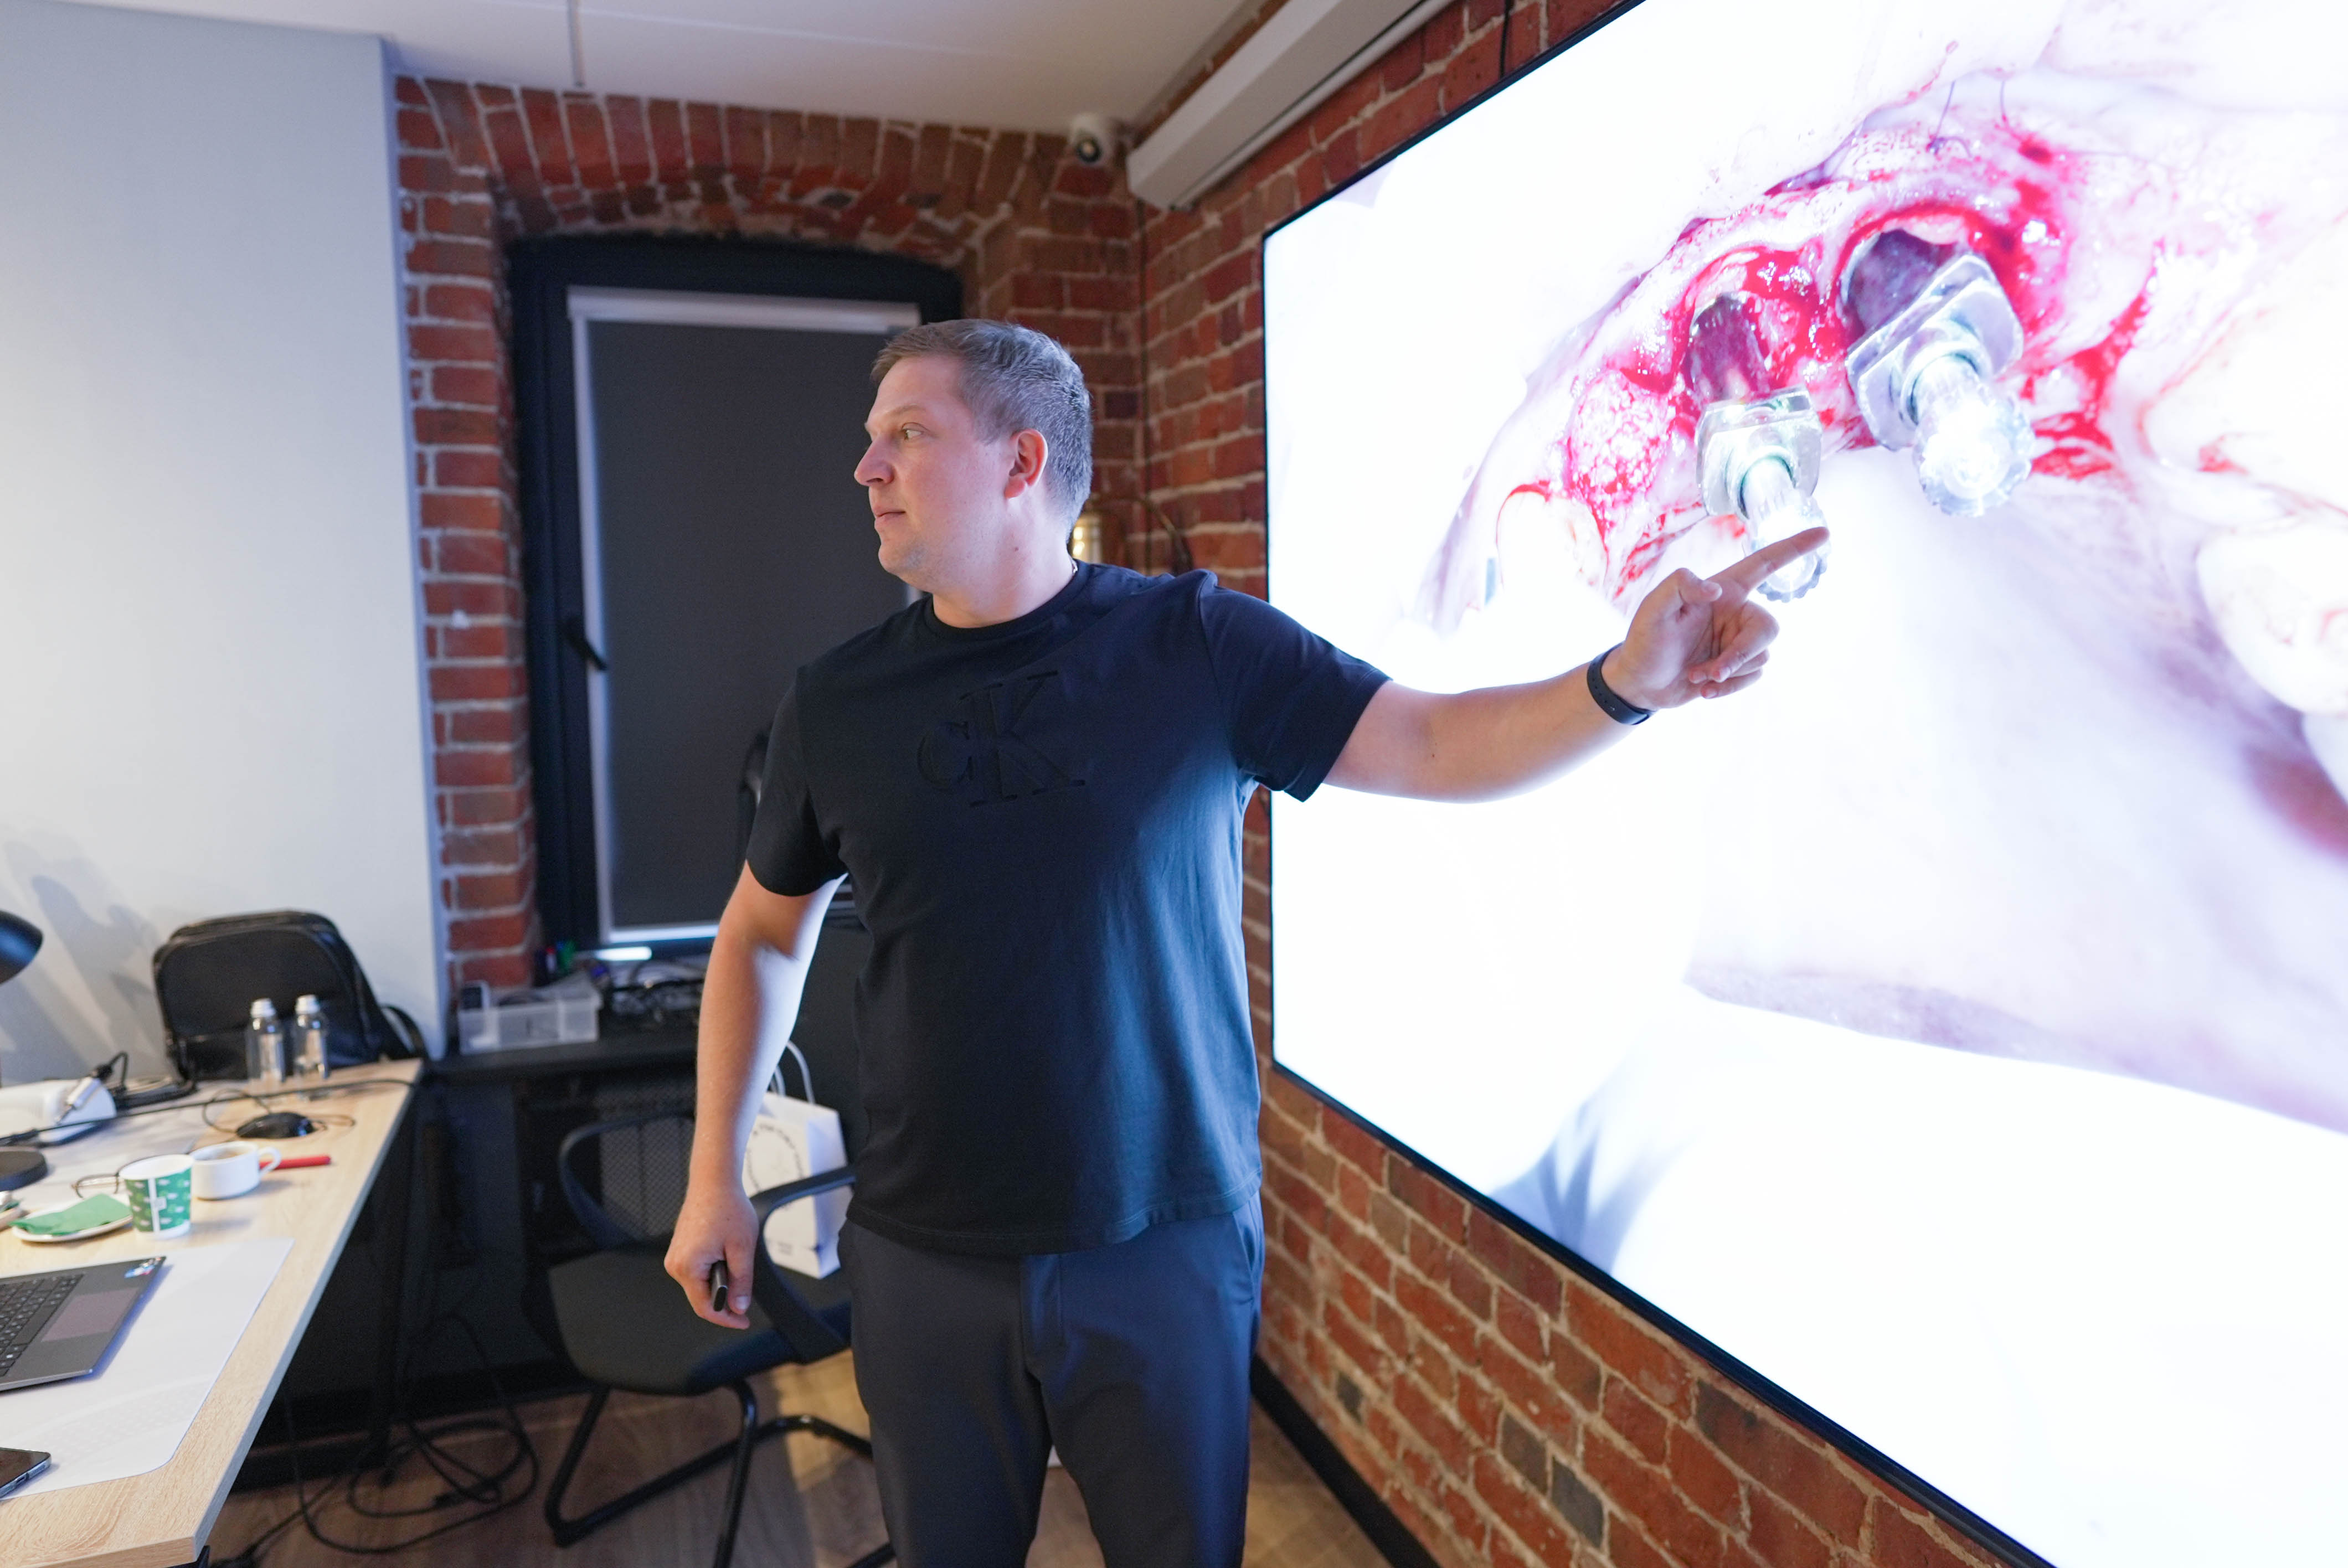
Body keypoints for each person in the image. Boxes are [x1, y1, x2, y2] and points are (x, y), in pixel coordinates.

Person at [663, 318, 1824, 1566]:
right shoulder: (836, 703)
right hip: (921, 1253)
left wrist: (1626, 684)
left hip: (1162, 1245)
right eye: (871, 439)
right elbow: (761, 936)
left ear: (1020, 462)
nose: (866, 468)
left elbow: (1433, 741)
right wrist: (712, 1174)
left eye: (907, 433)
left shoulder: (1197, 645)